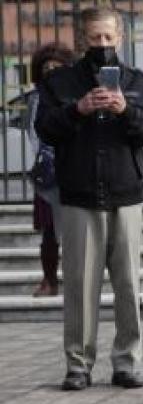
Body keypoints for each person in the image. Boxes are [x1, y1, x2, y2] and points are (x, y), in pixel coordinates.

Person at [35, 6, 143, 390]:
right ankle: (78, 364)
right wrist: (78, 109)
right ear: (82, 40)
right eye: (94, 38)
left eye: (108, 37)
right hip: (79, 198)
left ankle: (127, 362)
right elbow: (45, 129)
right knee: (79, 285)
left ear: (120, 38)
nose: (102, 45)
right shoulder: (60, 85)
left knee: (127, 285)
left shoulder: (140, 83)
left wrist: (126, 110)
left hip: (126, 196)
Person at [26, 43, 76, 297]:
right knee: (49, 231)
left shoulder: (74, 93)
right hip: (48, 171)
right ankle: (49, 280)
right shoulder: (36, 98)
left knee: (78, 229)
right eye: (46, 67)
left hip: (75, 168)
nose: (51, 71)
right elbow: (34, 134)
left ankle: (79, 281)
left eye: (57, 67)